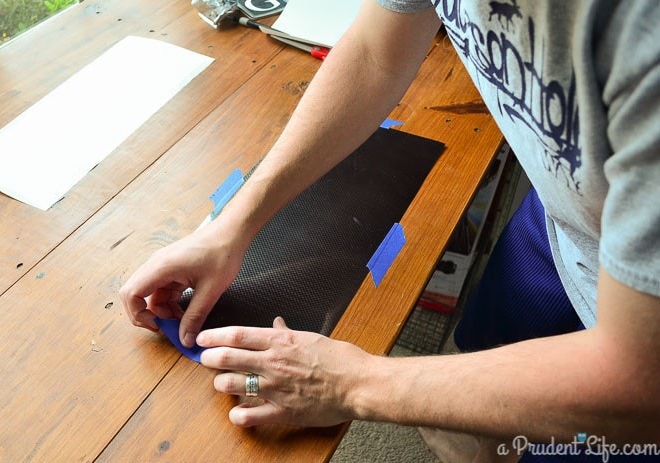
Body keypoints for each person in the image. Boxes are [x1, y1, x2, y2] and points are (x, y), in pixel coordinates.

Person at [120, 1, 659, 461]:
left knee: (567, 440)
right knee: (486, 363)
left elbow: (640, 385)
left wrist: (352, 385)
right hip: (565, 215)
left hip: (636, 370)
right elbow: (376, 53)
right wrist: (231, 227)